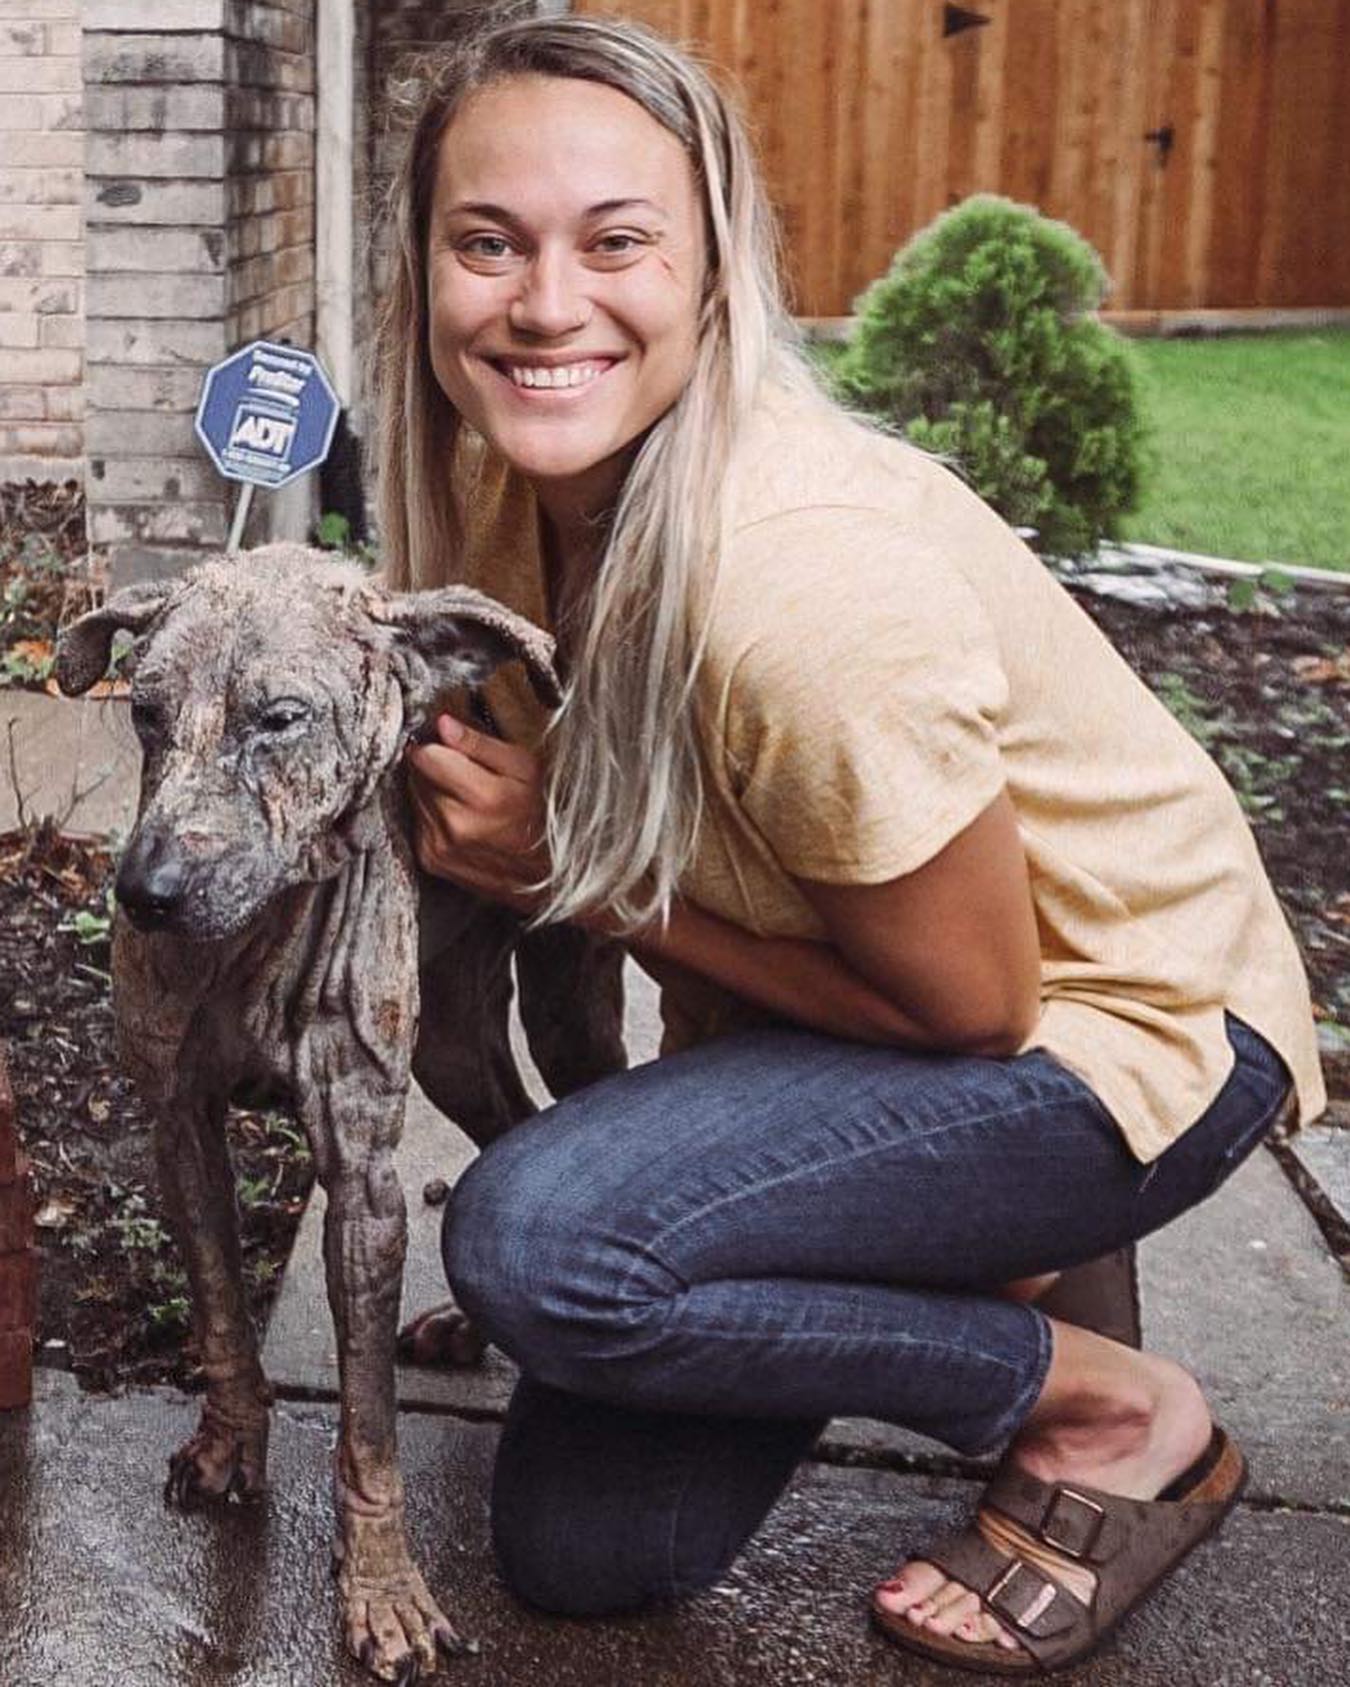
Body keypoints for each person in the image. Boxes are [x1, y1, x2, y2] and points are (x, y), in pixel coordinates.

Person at [375, 13, 1325, 1674]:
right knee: (592, 1552)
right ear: (422, 267)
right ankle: (995, 1261)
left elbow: (968, 1007)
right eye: (487, 242)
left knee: (540, 1243)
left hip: (1103, 1033)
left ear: (718, 266)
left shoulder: (793, 586)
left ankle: (1106, 1406)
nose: (541, 304)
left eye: (616, 242)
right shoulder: (513, 492)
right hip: (872, 1018)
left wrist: (572, 879)